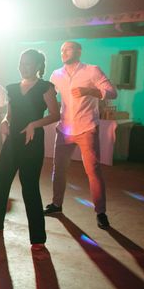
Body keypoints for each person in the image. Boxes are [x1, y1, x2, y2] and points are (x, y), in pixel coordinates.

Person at [0, 49, 60, 249]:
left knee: (30, 188)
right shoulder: (12, 88)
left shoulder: (46, 87)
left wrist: (34, 124)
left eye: (28, 64)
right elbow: (9, 114)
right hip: (12, 141)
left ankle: (38, 239)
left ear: (37, 66)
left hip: (32, 142)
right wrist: (4, 122)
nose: (23, 67)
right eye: (21, 63)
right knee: (1, 183)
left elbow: (55, 114)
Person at [44, 41, 117, 229]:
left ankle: (101, 212)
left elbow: (112, 92)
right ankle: (56, 204)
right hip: (64, 128)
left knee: (93, 171)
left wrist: (90, 90)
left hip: (87, 127)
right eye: (61, 49)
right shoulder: (56, 74)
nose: (63, 52)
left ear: (78, 51)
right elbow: (49, 97)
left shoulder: (92, 70)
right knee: (58, 168)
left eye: (67, 49)